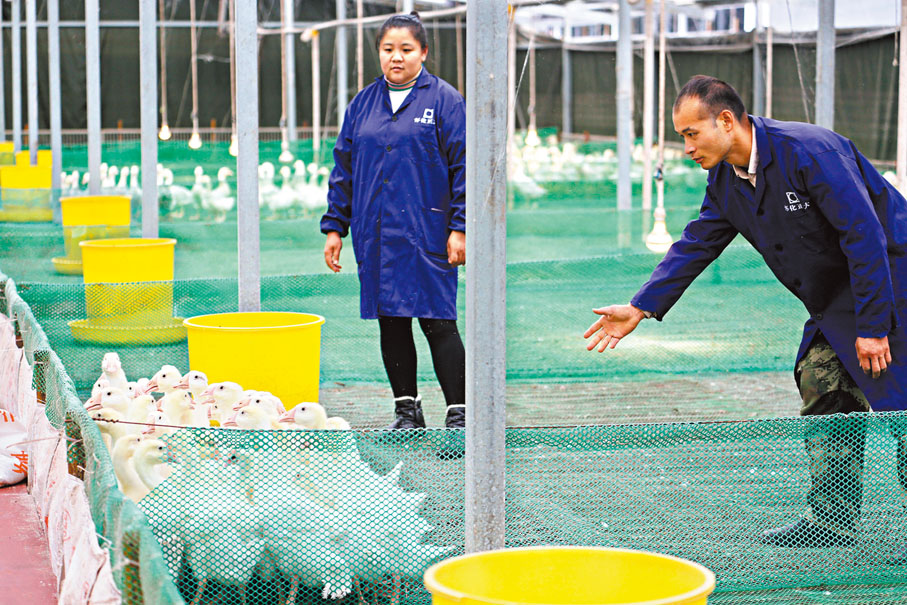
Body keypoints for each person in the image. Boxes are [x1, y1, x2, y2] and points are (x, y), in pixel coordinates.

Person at [583, 75, 907, 552]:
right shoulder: (726, 181)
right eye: (682, 137)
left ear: (727, 121)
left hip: (892, 286)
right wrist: (640, 307)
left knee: (903, 411)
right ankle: (832, 520)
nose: (686, 147)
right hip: (834, 302)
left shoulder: (809, 152)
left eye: (692, 134)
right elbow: (697, 242)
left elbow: (866, 238)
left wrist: (875, 327)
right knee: (821, 382)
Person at [321, 12, 466, 433]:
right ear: (379, 53)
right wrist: (335, 227)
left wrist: (459, 227)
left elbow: (462, 167)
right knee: (392, 320)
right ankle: (408, 412)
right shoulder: (363, 104)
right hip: (378, 233)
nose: (396, 58)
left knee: (438, 320)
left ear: (423, 52)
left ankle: (460, 414)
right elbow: (343, 169)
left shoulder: (444, 100)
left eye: (405, 49)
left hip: (428, 232)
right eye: (388, 50)